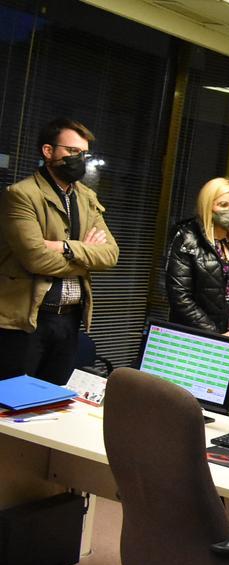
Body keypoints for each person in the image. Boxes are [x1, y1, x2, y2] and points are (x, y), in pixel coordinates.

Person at [0, 118, 119, 384]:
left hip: (69, 320)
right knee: (12, 408)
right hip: (27, 322)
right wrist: (86, 256)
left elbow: (110, 254)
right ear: (48, 151)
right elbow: (36, 259)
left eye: (84, 153)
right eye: (72, 151)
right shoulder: (20, 195)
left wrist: (65, 247)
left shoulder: (86, 197)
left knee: (53, 409)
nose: (80, 159)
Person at [165, 177, 229, 343]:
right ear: (207, 205)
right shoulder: (186, 240)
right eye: (223, 205)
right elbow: (180, 297)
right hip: (194, 338)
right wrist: (214, 335)